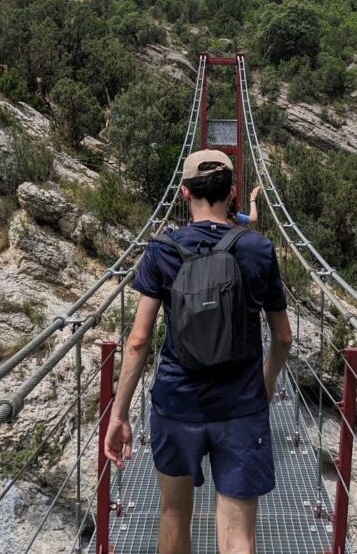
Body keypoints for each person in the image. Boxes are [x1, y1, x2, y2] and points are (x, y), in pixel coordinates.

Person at [104, 149, 293, 554]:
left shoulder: (162, 250)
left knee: (173, 514)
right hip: (241, 404)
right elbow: (283, 338)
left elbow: (138, 341)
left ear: (184, 192)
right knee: (238, 534)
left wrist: (119, 415)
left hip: (177, 403)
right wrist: (266, 382)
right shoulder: (258, 249)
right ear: (233, 192)